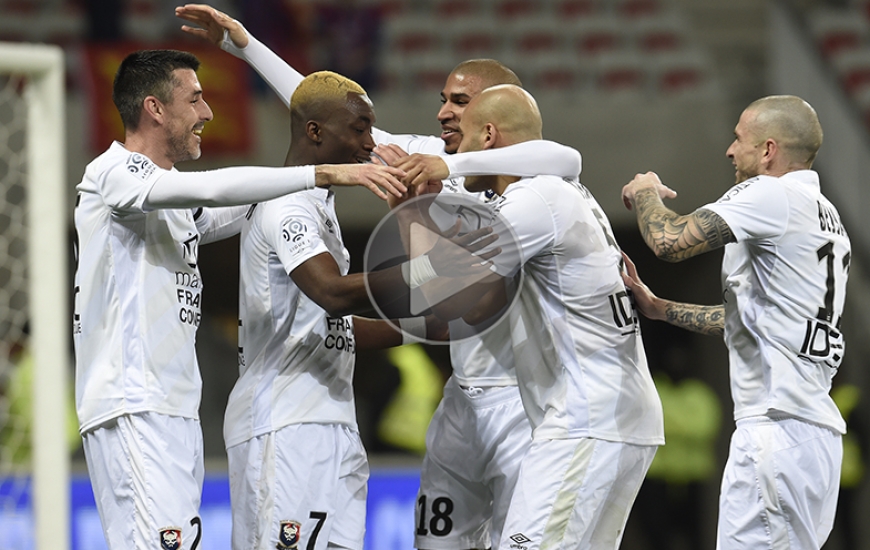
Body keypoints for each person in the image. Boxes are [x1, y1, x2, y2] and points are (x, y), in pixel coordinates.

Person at [174, 5, 582, 549]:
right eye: (441, 98)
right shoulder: (419, 158)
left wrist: (449, 175)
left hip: (523, 398)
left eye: (458, 102)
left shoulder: (536, 187)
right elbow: (323, 109)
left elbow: (564, 156)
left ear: (495, 119)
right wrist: (246, 46)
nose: (441, 113)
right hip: (455, 400)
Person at [72, 49, 407, 550]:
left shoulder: (173, 203)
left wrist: (326, 159)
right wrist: (321, 174)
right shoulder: (112, 175)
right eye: (196, 99)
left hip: (174, 409)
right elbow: (222, 187)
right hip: (131, 401)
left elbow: (243, 200)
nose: (207, 112)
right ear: (154, 108)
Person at [396, 84, 665, 550]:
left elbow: (442, 292)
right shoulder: (561, 191)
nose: (453, 146)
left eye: (463, 135)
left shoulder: (534, 200)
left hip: (585, 420)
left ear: (489, 136)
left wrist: (407, 212)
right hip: (611, 415)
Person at [620, 95, 850, 549]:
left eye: (738, 138)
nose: (729, 150)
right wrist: (660, 307)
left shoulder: (770, 193)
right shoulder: (826, 215)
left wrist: (645, 190)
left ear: (768, 151)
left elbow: (668, 241)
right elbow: (751, 319)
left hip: (775, 432)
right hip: (813, 438)